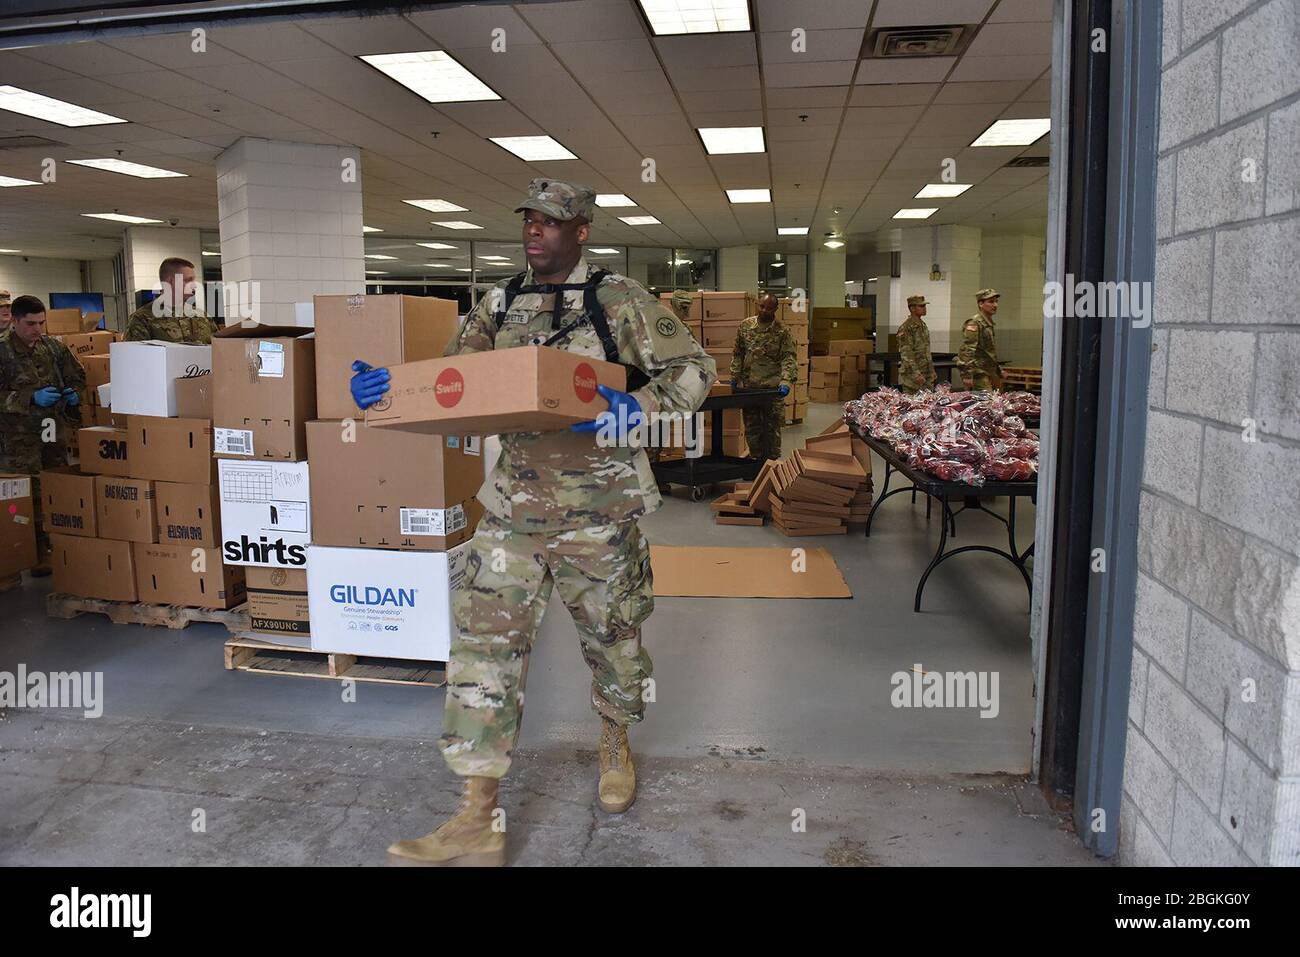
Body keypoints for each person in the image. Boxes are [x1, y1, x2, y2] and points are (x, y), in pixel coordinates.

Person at [350, 179, 716, 867]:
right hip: (513, 510)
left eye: (550, 222)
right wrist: (389, 390)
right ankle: (475, 813)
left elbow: (695, 367)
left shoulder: (619, 299)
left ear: (581, 230)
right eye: (528, 219)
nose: (534, 231)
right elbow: (453, 381)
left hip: (600, 511)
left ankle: (614, 742)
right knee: (483, 646)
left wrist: (643, 405)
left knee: (612, 639)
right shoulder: (499, 300)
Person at [0, 296, 86, 576]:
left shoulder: (53, 347)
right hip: (17, 439)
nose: (36, 329)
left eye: (41, 322)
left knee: (53, 486)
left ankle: (54, 545)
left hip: (52, 431)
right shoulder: (2, 351)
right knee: (27, 494)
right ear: (14, 320)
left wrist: (73, 394)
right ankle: (29, 550)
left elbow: (77, 376)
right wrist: (29, 397)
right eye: (30, 324)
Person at [730, 292, 796, 461]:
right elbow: (738, 353)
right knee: (752, 428)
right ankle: (755, 463)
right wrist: (734, 376)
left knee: (772, 429)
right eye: (761, 306)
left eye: (768, 307)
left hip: (772, 390)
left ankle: (772, 466)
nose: (764, 310)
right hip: (750, 388)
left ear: (775, 308)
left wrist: (786, 380)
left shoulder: (782, 331)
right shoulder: (745, 326)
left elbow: (788, 357)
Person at [124, 257, 218, 343]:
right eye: (188, 280)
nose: (194, 285)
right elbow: (135, 357)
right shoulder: (142, 319)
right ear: (171, 282)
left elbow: (218, 349)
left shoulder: (203, 317)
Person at [958, 288, 1003, 390]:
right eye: (991, 302)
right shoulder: (974, 323)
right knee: (986, 402)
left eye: (996, 302)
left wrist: (998, 370)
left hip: (989, 371)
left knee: (996, 402)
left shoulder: (987, 322)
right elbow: (968, 350)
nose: (995, 305)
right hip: (978, 372)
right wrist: (967, 375)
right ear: (980, 304)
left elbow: (988, 351)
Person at [897, 295, 937, 393]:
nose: (924, 309)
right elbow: (906, 354)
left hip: (926, 374)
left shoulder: (923, 325)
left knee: (928, 404)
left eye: (924, 306)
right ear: (912, 308)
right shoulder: (906, 328)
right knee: (912, 405)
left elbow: (926, 350)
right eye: (921, 306)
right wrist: (916, 374)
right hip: (913, 377)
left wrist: (931, 370)